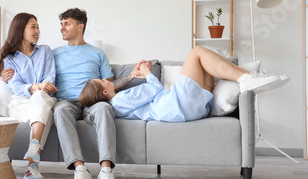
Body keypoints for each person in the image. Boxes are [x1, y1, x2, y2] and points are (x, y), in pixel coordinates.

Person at [52, 8, 147, 179]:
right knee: (60, 110)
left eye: (67, 23)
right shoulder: (53, 54)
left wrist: (130, 77)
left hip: (93, 102)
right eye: (61, 24)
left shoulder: (97, 53)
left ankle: (105, 172)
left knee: (104, 108)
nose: (62, 28)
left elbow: (109, 85)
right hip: (67, 102)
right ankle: (81, 172)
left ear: (80, 26)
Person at [79, 45, 289, 122]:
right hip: (178, 104)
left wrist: (135, 76)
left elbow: (121, 88)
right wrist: (146, 73)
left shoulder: (119, 101)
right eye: (102, 80)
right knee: (197, 51)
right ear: (104, 91)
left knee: (210, 58)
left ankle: (252, 77)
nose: (106, 78)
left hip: (192, 108)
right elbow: (155, 88)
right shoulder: (119, 101)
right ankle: (247, 78)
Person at [0, 13, 58, 179]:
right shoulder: (10, 59)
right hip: (21, 103)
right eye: (33, 26)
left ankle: (33, 151)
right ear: (20, 29)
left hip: (44, 99)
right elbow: (15, 86)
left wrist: (40, 88)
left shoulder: (45, 51)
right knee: (46, 114)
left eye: (38, 27)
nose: (37, 30)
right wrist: (36, 86)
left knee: (41, 99)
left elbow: (50, 78)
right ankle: (32, 166)